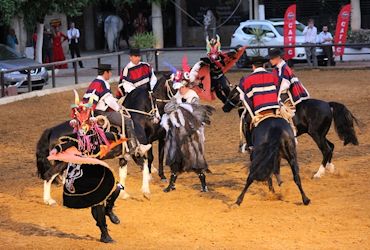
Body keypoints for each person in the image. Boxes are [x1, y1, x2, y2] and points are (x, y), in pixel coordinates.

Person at [48, 91, 124, 243]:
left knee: (118, 188)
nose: (84, 123)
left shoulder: (97, 132)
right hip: (84, 172)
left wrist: (118, 137)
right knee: (96, 203)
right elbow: (67, 144)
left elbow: (108, 136)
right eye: (81, 119)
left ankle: (110, 208)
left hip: (98, 168)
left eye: (86, 118)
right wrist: (56, 150)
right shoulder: (77, 136)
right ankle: (104, 233)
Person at [83, 63, 152, 156]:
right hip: (102, 113)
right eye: (110, 72)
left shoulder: (95, 82)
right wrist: (119, 108)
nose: (110, 74)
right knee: (127, 121)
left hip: (93, 112)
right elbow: (108, 100)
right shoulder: (103, 83)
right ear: (105, 73)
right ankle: (133, 147)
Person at [269, 48, 310, 142]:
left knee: (284, 111)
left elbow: (285, 85)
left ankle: (292, 133)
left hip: (287, 94)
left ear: (278, 58)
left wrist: (277, 96)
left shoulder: (283, 68)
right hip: (284, 92)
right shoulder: (279, 68)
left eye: (272, 58)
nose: (270, 60)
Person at [238, 56, 280, 149]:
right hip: (274, 110)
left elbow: (247, 98)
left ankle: (250, 145)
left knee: (246, 121)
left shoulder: (248, 79)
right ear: (264, 65)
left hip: (260, 111)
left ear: (253, 66)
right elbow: (277, 91)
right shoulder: (273, 76)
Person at [190, 35, 245, 103]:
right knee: (218, 92)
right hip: (213, 78)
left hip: (220, 75)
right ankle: (226, 103)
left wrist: (237, 51)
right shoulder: (205, 61)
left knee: (225, 88)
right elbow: (198, 68)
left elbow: (230, 54)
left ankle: (231, 101)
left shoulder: (222, 57)